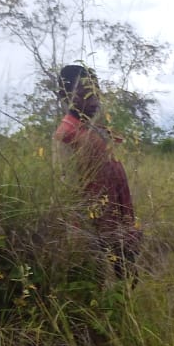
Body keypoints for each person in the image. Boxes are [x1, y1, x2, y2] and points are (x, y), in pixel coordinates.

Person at [53, 63, 140, 276]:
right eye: (86, 94)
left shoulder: (94, 132)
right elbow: (75, 195)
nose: (94, 101)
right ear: (65, 95)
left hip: (116, 233)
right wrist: (103, 242)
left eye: (96, 93)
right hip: (95, 239)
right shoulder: (67, 136)